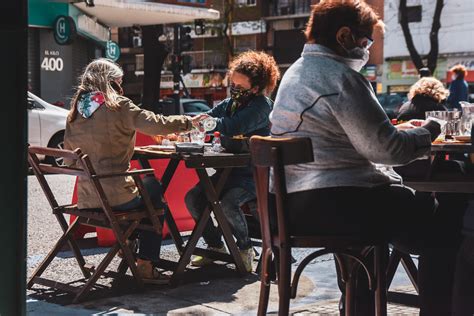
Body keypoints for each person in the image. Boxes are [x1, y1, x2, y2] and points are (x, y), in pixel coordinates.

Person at [270, 1, 461, 315]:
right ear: (344, 36)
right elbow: (387, 150)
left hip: (295, 204)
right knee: (446, 224)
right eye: (365, 41)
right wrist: (430, 129)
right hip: (339, 203)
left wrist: (399, 130)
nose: (367, 50)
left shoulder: (296, 73)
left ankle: (359, 308)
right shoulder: (340, 77)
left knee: (376, 230)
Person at [64, 58, 205, 283]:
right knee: (154, 191)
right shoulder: (118, 105)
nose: (122, 85)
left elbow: (73, 155)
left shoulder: (77, 111)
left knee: (147, 194)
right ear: (111, 82)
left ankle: (128, 242)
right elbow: (156, 124)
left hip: (89, 198)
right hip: (116, 197)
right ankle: (146, 265)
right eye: (119, 81)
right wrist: (189, 122)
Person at [184, 51, 280, 272]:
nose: (234, 89)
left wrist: (207, 123)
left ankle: (244, 249)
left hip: (255, 174)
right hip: (229, 171)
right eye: (232, 83)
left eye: (239, 86)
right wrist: (190, 123)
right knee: (193, 198)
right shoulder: (231, 103)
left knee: (228, 203)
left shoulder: (262, 106)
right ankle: (216, 246)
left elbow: (232, 126)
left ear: (255, 88)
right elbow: (209, 116)